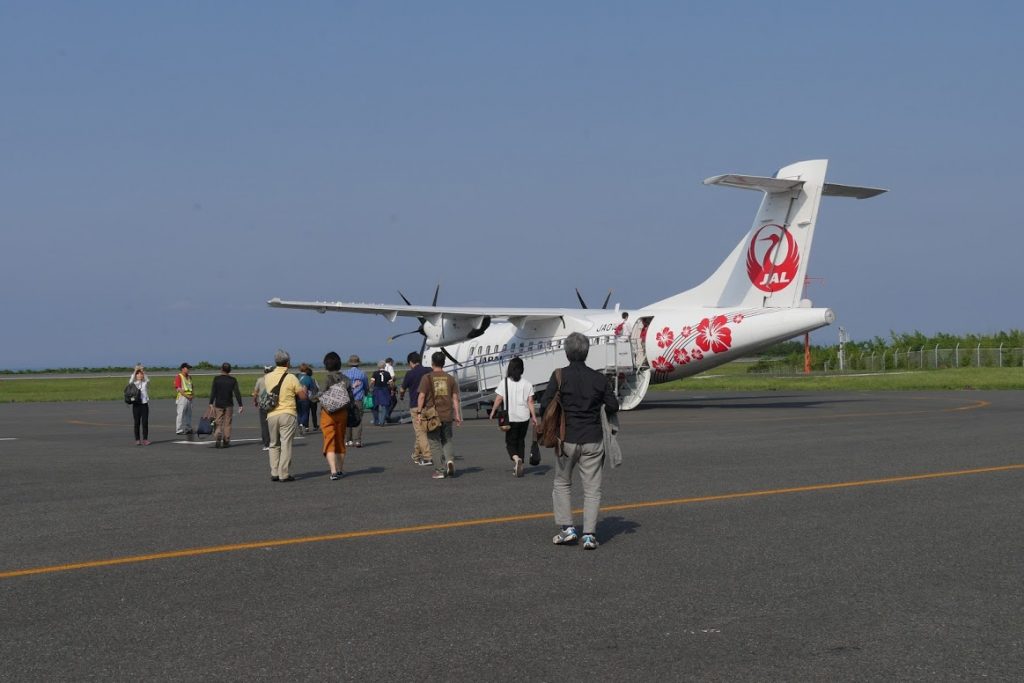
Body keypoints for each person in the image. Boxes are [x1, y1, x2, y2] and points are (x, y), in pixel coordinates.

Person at [541, 332, 619, 550]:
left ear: (566, 352)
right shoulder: (599, 379)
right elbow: (613, 405)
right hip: (593, 439)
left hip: (566, 440)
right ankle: (589, 535)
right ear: (586, 352)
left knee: (562, 483)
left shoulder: (559, 376)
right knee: (592, 489)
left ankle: (567, 528)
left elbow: (544, 404)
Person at [489, 357, 538, 477]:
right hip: (524, 417)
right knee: (520, 441)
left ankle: (516, 460)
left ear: (510, 368)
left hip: (511, 418)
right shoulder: (527, 384)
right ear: (522, 369)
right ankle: (519, 463)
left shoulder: (504, 382)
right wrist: (534, 417)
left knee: (510, 442)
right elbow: (530, 402)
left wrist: (493, 411)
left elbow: (499, 399)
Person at [417, 351, 462, 480]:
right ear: (444, 363)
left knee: (434, 442)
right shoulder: (450, 378)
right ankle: (449, 461)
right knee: (447, 439)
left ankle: (440, 470)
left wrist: (419, 412)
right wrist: (457, 415)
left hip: (432, 416)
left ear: (432, 363)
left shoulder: (427, 377)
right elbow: (455, 398)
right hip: (447, 414)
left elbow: (421, 396)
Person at [265, 349, 307, 482]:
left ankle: (274, 472)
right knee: (286, 444)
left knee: (273, 444)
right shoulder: (291, 377)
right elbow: (302, 396)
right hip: (287, 413)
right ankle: (284, 473)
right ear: (287, 363)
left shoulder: (267, 377)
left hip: (271, 413)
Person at [320, 351, 351, 481]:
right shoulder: (346, 379)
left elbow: (320, 395)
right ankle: (340, 470)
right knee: (340, 441)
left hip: (328, 413)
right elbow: (350, 396)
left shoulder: (326, 379)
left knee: (329, 440)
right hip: (342, 413)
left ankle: (333, 470)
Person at [399, 351, 433, 466]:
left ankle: (428, 456)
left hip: (415, 406)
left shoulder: (410, 374)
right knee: (424, 431)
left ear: (410, 362)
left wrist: (401, 396)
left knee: (420, 432)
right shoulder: (429, 370)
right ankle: (416, 455)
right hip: (429, 405)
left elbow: (402, 389)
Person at [208, 362, 244, 448]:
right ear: (230, 370)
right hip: (229, 404)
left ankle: (218, 436)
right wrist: (240, 404)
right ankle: (226, 440)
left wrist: (210, 402)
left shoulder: (216, 379)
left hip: (219, 404)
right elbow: (237, 393)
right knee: (228, 423)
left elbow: (213, 391)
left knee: (218, 422)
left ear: (221, 369)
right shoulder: (233, 380)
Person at [344, 355, 369, 447]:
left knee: (347, 419)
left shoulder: (345, 373)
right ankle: (357, 440)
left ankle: (348, 440)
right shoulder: (362, 374)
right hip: (358, 399)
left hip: (347, 400)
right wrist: (366, 393)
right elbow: (366, 386)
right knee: (358, 420)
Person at [127, 364, 150, 445]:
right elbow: (130, 381)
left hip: (144, 404)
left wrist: (143, 370)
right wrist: (135, 370)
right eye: (138, 374)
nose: (139, 375)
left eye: (141, 374)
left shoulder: (145, 383)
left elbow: (147, 379)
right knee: (137, 422)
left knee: (145, 422)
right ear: (136, 375)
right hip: (136, 405)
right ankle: (137, 439)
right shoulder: (133, 383)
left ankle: (145, 439)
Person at [251, 365, 273, 450]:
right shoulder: (274, 380)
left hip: (263, 405)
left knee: (264, 425)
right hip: (273, 404)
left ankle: (266, 444)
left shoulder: (260, 380)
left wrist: (255, 401)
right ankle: (275, 442)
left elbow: (255, 392)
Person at [369, 360, 393, 426]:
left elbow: (372, 382)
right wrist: (392, 389)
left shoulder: (375, 373)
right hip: (385, 390)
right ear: (384, 366)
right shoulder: (387, 373)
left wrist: (368, 388)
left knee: (375, 406)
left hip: (376, 390)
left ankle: (376, 421)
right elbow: (391, 383)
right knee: (384, 406)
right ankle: (382, 421)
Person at [174, 362, 194, 435]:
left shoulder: (189, 377)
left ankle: (188, 428)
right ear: (183, 369)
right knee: (181, 414)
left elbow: (192, 386)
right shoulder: (179, 376)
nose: (188, 370)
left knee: (189, 414)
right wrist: (187, 395)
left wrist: (192, 395)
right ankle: (178, 429)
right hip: (182, 397)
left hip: (189, 398)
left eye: (189, 368)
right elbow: (178, 388)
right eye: (187, 368)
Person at [296, 362, 317, 434]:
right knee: (305, 412)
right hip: (305, 397)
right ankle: (302, 424)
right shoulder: (309, 378)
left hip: (297, 397)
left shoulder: (296, 376)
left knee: (299, 412)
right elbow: (312, 388)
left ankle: (299, 424)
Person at [384, 356, 397, 422]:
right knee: (394, 401)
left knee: (387, 402)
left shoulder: (383, 367)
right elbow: (392, 377)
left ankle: (386, 416)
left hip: (383, 386)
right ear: (390, 362)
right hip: (389, 385)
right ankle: (387, 415)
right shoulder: (390, 367)